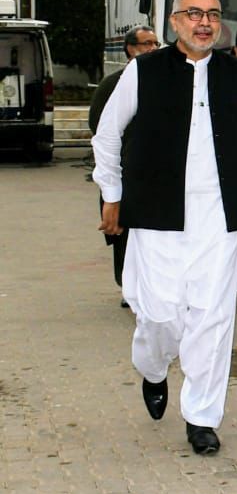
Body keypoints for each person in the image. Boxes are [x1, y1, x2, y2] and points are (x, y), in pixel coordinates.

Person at [92, 0, 237, 455]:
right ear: (175, 22)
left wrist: (233, 190)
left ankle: (202, 417)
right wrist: (113, 194)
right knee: (159, 315)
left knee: (211, 319)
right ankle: (153, 369)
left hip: (218, 217)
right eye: (194, 14)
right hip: (156, 215)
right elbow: (107, 136)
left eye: (212, 14)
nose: (204, 22)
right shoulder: (142, 72)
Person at [89, 25, 160, 301]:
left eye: (155, 43)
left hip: (153, 173)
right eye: (146, 44)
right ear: (130, 48)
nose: (152, 48)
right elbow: (100, 128)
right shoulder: (113, 83)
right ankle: (127, 286)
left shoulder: (161, 81)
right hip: (123, 170)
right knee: (123, 230)